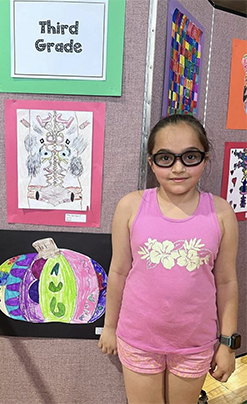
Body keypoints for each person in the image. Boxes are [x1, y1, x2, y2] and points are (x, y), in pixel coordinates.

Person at [98, 114, 239, 404]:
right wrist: (109, 326)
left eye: (190, 157)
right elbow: (119, 271)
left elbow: (226, 282)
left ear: (205, 158)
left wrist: (228, 343)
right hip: (138, 339)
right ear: (151, 162)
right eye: (165, 158)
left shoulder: (221, 213)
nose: (178, 168)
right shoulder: (131, 206)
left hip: (194, 343)